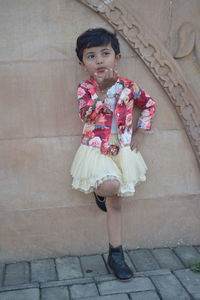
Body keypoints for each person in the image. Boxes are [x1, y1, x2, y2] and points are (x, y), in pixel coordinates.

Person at [71, 28, 156, 281]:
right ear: (82, 63)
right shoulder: (84, 89)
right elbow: (86, 115)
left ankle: (116, 255)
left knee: (117, 202)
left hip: (123, 149)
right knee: (110, 186)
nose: (99, 60)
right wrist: (101, 92)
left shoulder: (129, 87)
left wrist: (142, 131)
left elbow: (150, 105)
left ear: (116, 58)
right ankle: (100, 192)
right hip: (96, 149)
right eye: (91, 56)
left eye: (105, 53)